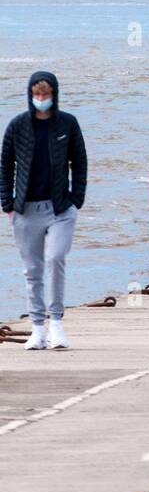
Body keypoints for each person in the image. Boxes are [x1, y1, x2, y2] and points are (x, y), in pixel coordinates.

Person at [1, 70, 87, 350]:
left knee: (55, 258)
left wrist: (76, 199)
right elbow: (5, 165)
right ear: (30, 96)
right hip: (25, 210)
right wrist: (8, 204)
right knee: (32, 270)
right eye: (37, 95)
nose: (41, 99)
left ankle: (57, 324)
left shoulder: (67, 124)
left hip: (60, 208)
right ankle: (37, 329)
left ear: (54, 95)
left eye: (46, 95)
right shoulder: (17, 126)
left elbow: (80, 161)